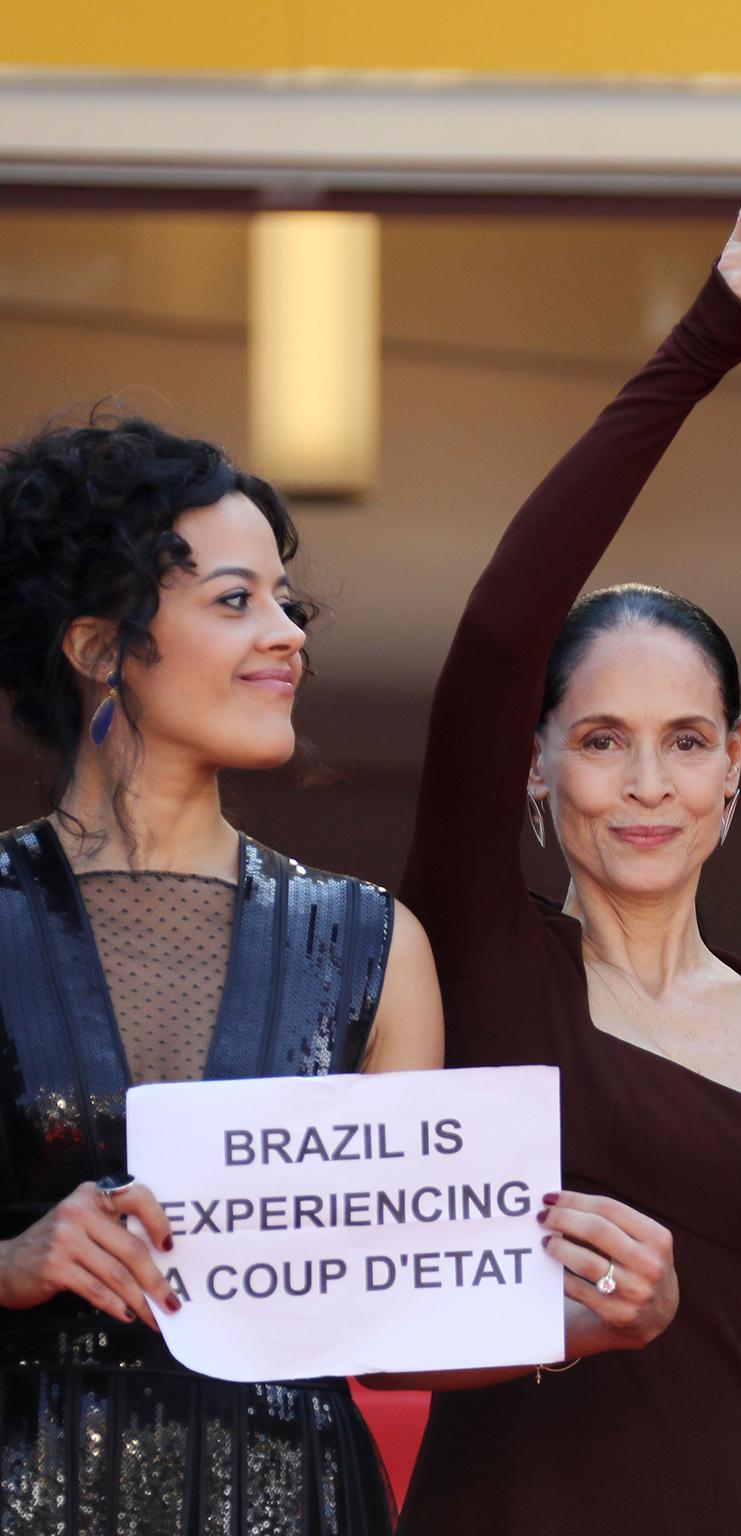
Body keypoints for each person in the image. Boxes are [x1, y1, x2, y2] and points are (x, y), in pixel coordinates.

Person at [388, 133, 741, 1534]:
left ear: (734, 771)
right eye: (599, 740)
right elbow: (498, 631)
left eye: (685, 741)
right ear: (533, 770)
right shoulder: (483, 963)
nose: (645, 783)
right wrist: (721, 326)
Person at [0, 418, 444, 1534]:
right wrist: (11, 1260)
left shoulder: (376, 945)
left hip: (297, 1497)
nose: (288, 634)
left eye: (289, 603)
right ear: (99, 647)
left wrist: (581, 1312)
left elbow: (400, 1316)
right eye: (237, 600)